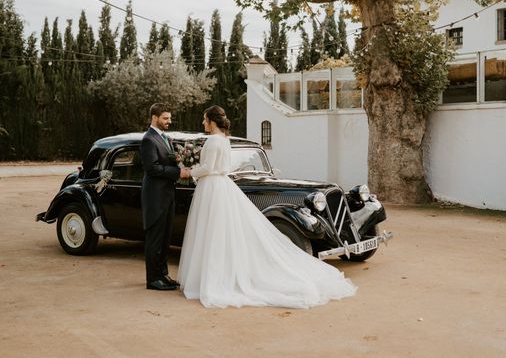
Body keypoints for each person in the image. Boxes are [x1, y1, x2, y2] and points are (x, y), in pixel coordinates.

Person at [177, 105, 356, 308]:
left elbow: (209, 168)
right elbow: (224, 168)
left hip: (211, 187)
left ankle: (212, 278)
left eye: (204, 119)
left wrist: (189, 171)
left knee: (210, 232)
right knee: (222, 231)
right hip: (224, 185)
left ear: (211, 120)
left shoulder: (212, 141)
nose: (203, 123)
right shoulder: (225, 141)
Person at [140, 103, 190, 291]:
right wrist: (179, 173)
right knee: (155, 238)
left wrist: (181, 162)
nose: (169, 121)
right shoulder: (148, 140)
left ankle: (163, 275)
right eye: (165, 118)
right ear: (155, 118)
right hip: (155, 197)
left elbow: (168, 161)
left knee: (165, 238)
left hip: (167, 196)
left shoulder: (165, 138)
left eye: (169, 118)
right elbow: (152, 168)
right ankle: (153, 279)